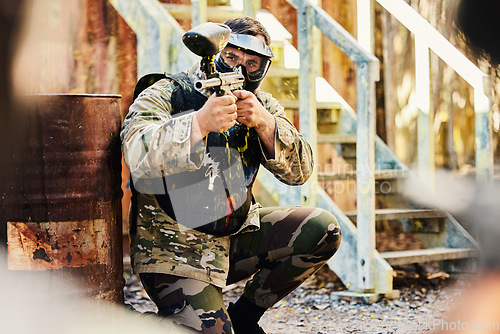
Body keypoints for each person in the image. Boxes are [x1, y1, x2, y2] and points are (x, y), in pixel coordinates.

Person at [121, 16, 341, 334]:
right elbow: (136, 153)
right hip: (175, 248)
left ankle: (244, 318)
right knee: (213, 332)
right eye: (231, 56)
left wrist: (264, 123)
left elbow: (300, 171)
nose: (240, 69)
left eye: (252, 63)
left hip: (233, 235)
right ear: (212, 54)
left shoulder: (261, 104)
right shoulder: (168, 92)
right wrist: (198, 124)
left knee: (322, 230)